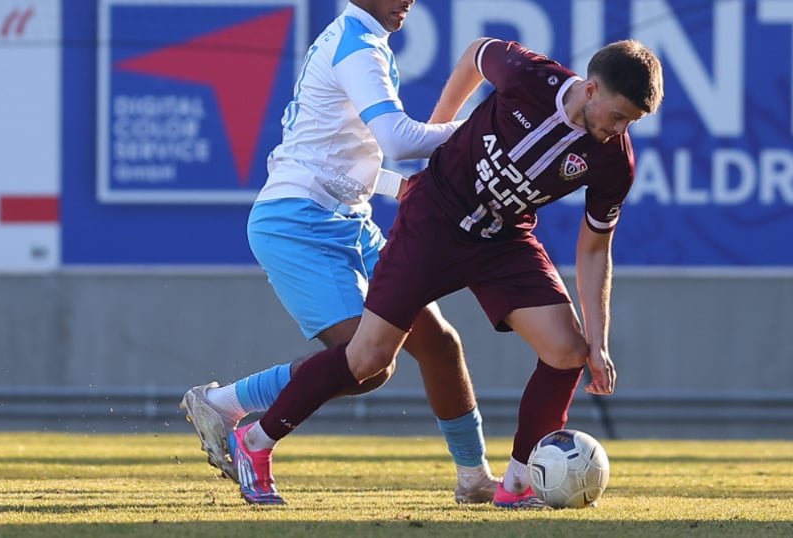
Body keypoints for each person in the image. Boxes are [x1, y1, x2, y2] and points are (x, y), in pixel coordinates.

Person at [222, 36, 663, 508]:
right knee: (367, 358)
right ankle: (255, 443)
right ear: (591, 90)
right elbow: (478, 52)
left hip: (502, 240)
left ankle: (516, 486)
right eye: (618, 116)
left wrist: (599, 343)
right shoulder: (530, 76)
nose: (620, 129)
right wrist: (440, 124)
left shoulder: (615, 160)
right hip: (433, 221)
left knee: (567, 351)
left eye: (631, 122)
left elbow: (595, 249)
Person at [179, 0, 496, 506]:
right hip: (296, 222)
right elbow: (398, 140)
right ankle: (236, 417)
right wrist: (480, 131)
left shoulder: (359, 42)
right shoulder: (357, 46)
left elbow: (335, 150)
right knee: (366, 365)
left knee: (439, 344)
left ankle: (475, 479)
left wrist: (392, 186)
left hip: (345, 219)